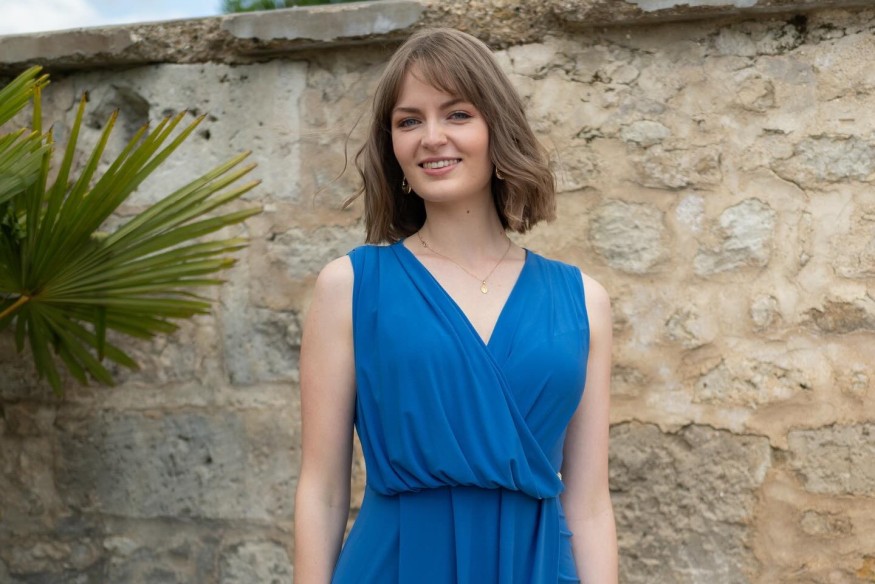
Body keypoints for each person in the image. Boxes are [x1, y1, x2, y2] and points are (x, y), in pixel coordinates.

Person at [294, 28, 618, 584]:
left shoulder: (584, 302)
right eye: (408, 121)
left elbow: (588, 506)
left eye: (458, 114)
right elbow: (321, 491)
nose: (431, 137)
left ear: (499, 129)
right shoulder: (349, 287)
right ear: (392, 147)